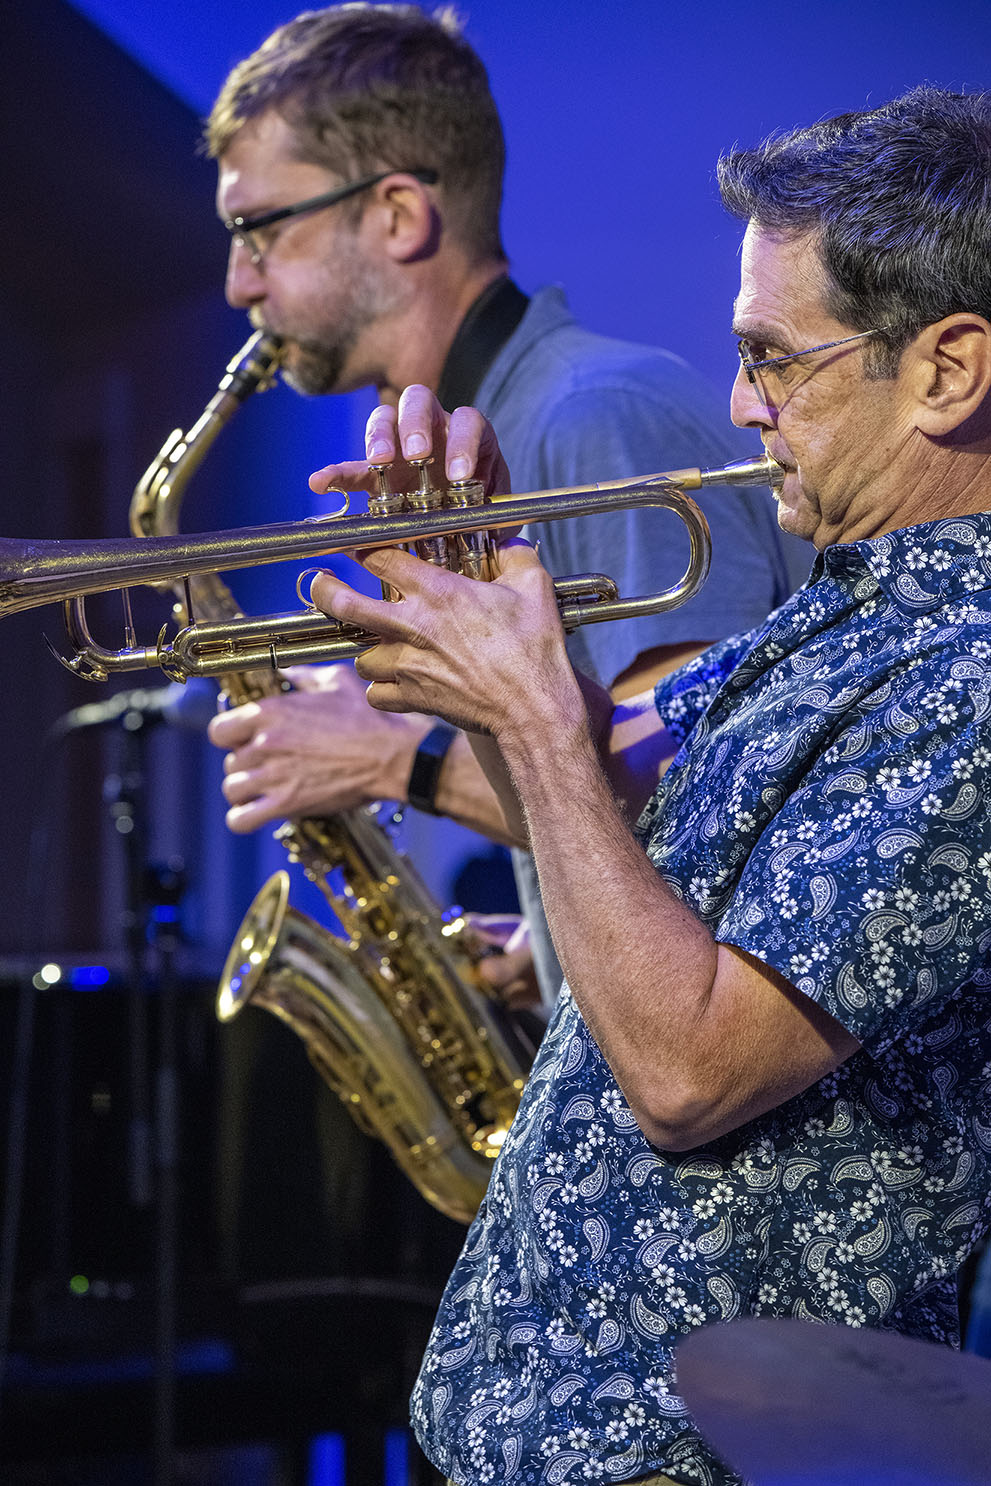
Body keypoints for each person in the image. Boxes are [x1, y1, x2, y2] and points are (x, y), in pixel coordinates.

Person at [303, 86, 991, 1485]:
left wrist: (531, 716)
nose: (738, 406)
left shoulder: (967, 675)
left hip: (692, 1447)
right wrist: (479, 593)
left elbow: (688, 1070)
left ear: (945, 368)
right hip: (544, 1423)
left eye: (772, 360)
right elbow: (618, 852)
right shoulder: (841, 607)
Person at [203, 1, 800, 1011]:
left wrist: (403, 755)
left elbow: (710, 802)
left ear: (397, 214)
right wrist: (550, 936)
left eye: (259, 228)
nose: (235, 283)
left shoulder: (592, 414)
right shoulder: (518, 414)